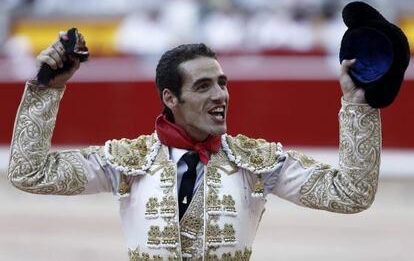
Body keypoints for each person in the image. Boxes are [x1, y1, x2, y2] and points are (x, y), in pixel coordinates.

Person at [8, 32, 381, 261]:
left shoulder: (257, 163)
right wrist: (47, 89)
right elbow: (30, 173)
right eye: (203, 86)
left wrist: (358, 106)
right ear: (171, 98)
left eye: (222, 82)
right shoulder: (128, 161)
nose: (221, 95)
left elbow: (351, 194)